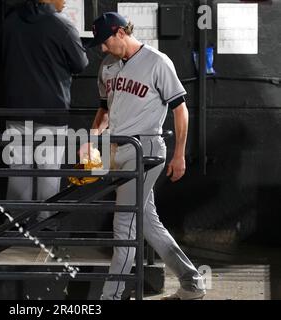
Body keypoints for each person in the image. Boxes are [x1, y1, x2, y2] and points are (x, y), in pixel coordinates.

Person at [87, 12, 206, 300]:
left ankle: (110, 297)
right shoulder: (107, 66)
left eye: (105, 41)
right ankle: (193, 283)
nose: (102, 48)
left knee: (124, 223)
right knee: (147, 222)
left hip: (147, 149)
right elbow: (105, 110)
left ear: (119, 33)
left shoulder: (157, 61)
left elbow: (180, 109)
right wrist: (90, 141)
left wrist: (179, 154)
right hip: (120, 149)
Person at [3, 0, 89, 225]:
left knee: (18, 173)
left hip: (16, 108)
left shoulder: (11, 21)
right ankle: (45, 229)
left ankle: (16, 227)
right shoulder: (62, 25)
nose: (65, 1)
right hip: (52, 110)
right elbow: (80, 64)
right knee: (48, 174)